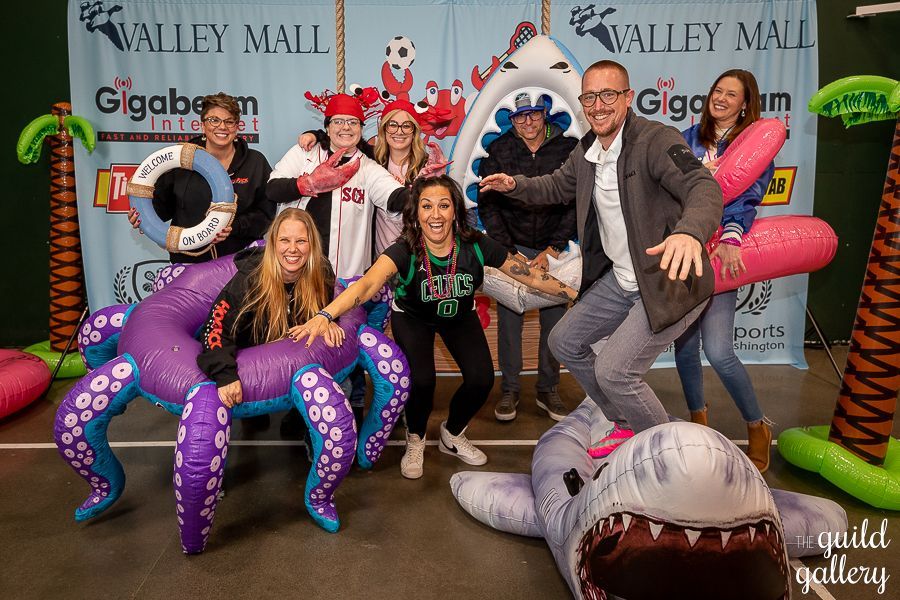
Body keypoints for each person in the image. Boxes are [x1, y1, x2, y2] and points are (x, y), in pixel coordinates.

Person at [480, 60, 723, 458]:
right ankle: (626, 422)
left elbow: (703, 185)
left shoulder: (655, 140)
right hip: (623, 279)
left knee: (615, 371)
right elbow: (556, 185)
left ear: (628, 97)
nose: (597, 105)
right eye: (589, 97)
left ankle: (666, 458)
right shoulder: (588, 150)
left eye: (608, 94)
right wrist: (515, 184)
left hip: (666, 281)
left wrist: (688, 232)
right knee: (564, 341)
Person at [289, 176, 577, 479]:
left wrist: (574, 294)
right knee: (422, 381)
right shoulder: (404, 249)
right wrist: (325, 315)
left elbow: (529, 276)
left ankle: (452, 433)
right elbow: (367, 285)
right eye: (426, 206)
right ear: (416, 213)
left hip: (459, 315)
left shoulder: (476, 245)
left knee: (481, 379)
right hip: (413, 317)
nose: (435, 215)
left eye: (444, 205)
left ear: (455, 211)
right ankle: (416, 437)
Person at [267, 93, 410, 436]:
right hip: (299, 278)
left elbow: (395, 197)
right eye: (338, 122)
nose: (346, 128)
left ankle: (350, 412)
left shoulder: (367, 167)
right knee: (297, 346)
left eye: (353, 122)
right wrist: (307, 183)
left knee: (345, 352)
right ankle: (298, 411)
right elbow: (271, 189)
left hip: (346, 284)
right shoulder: (304, 153)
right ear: (327, 126)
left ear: (362, 127)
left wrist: (423, 192)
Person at [675, 69, 775, 472]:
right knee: (685, 349)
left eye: (731, 94)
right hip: (685, 252)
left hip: (721, 254)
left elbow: (749, 196)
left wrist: (732, 236)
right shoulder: (688, 137)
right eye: (717, 90)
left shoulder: (752, 145)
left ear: (745, 104)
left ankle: (757, 426)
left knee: (718, 351)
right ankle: (698, 422)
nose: (720, 98)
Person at [478, 92, 578, 422]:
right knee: (509, 325)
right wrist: (508, 251)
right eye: (520, 116)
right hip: (514, 249)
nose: (528, 122)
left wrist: (553, 249)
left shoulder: (567, 148)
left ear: (545, 113)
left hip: (553, 251)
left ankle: (548, 389)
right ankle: (510, 389)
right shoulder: (499, 149)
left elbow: (576, 201)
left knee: (554, 326)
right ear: (512, 119)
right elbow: (487, 204)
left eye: (534, 114)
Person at [196, 208, 342, 408]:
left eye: (301, 241)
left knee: (341, 384)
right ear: (273, 243)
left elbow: (324, 311)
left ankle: (295, 417)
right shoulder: (249, 279)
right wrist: (225, 374)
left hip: (295, 358)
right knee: (255, 419)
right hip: (250, 359)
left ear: (312, 244)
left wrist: (328, 319)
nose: (293, 249)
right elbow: (216, 328)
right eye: (284, 240)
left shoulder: (321, 271)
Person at [129, 92, 274, 264]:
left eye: (229, 121)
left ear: (237, 127)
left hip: (241, 262)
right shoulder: (180, 163)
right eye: (214, 120)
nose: (222, 126)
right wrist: (143, 219)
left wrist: (234, 227)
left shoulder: (255, 162)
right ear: (203, 126)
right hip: (189, 262)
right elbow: (161, 207)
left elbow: (266, 215)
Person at [298, 98, 447, 255]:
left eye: (406, 126)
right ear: (384, 129)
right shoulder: (372, 158)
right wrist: (315, 134)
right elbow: (342, 136)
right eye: (392, 125)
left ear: (414, 131)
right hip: (381, 255)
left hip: (417, 253)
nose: (399, 131)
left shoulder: (427, 165)